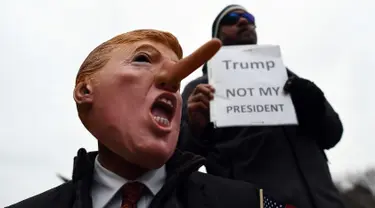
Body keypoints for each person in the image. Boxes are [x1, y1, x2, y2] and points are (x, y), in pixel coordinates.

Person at [7, 29, 294, 208]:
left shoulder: (251, 203)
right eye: (143, 59)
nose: (171, 79)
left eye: (178, 80)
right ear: (85, 90)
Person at [178, 4, 345, 208]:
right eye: (231, 18)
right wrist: (196, 128)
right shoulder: (200, 89)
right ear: (217, 35)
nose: (243, 21)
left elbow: (333, 134)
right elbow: (181, 159)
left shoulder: (288, 77)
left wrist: (315, 106)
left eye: (248, 17)